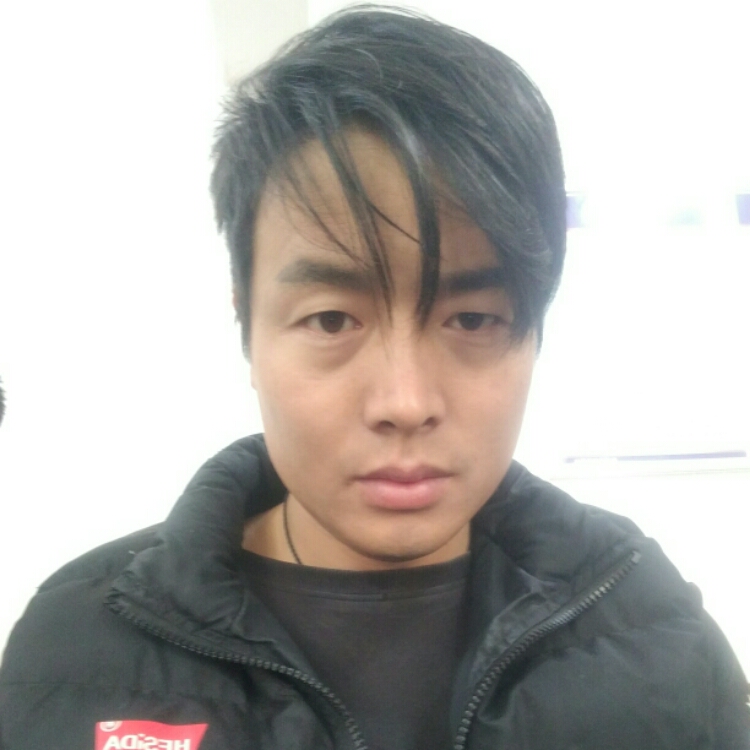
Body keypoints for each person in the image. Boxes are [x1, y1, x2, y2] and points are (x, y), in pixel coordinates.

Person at [0, 6, 747, 749]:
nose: (406, 403)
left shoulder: (656, 637)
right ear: (247, 329)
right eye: (331, 320)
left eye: (473, 319)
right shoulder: (74, 651)